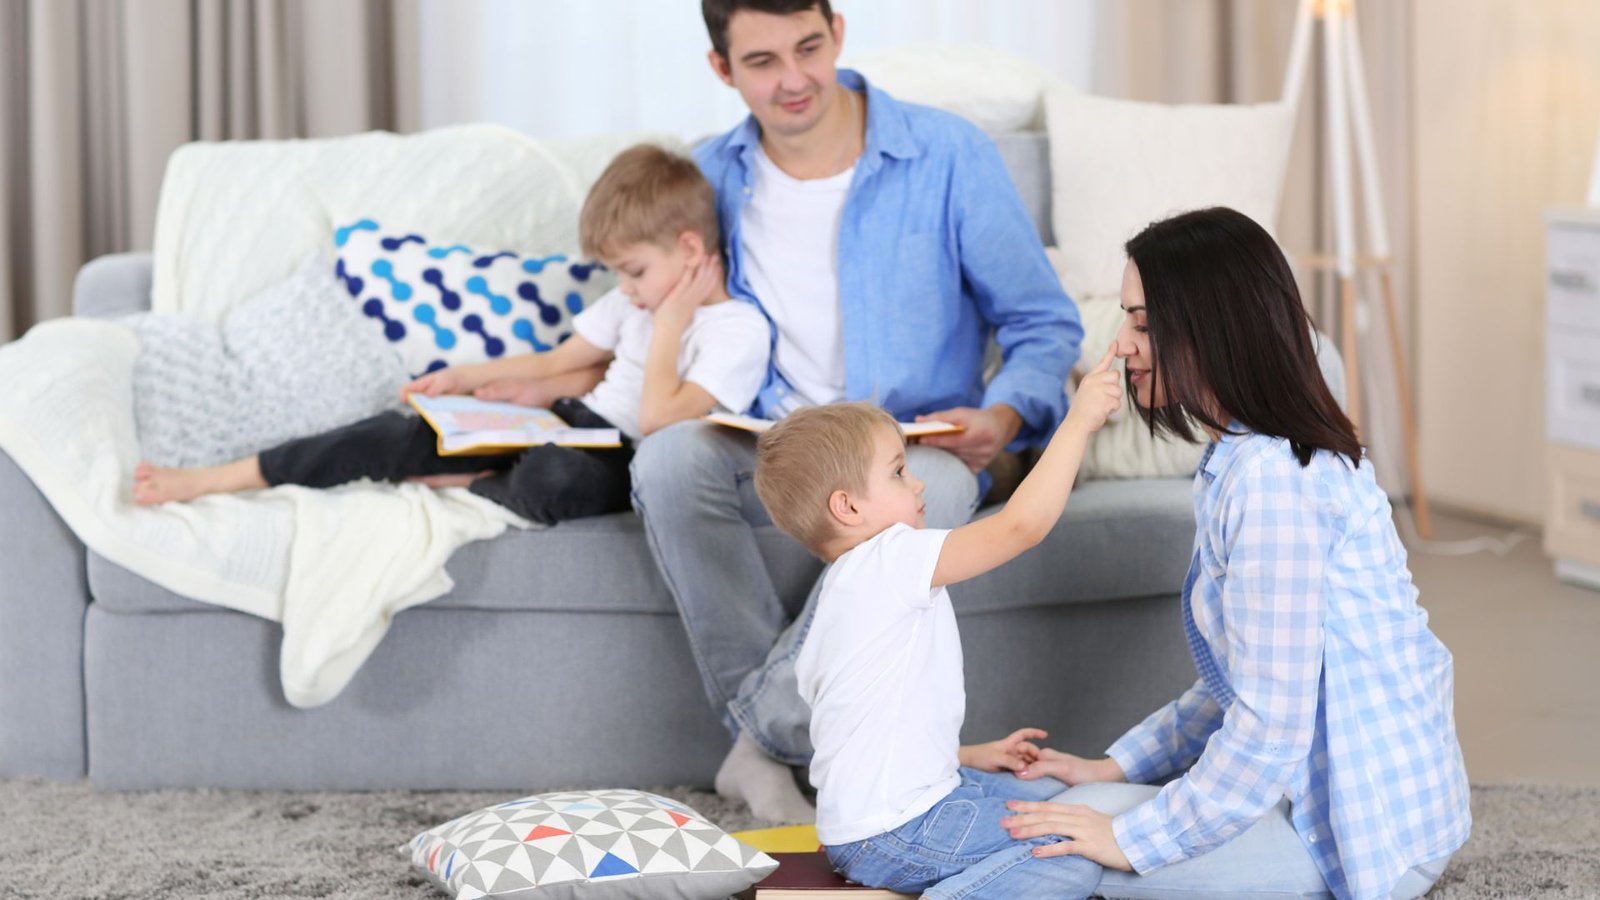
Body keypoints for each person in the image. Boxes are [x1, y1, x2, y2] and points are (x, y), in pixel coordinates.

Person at [629, 0, 1083, 823]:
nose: (796, 79)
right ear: (722, 70)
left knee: (934, 494)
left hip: (911, 441)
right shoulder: (709, 178)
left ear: (838, 32)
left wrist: (1007, 414)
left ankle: (759, 745)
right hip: (774, 437)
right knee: (665, 459)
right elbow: (635, 304)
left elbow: (1042, 323)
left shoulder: (945, 153)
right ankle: (774, 740)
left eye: (810, 47)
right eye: (763, 61)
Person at [997, 207, 1471, 900]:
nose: (1122, 345)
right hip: (1303, 799)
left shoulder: (1276, 481)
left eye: (1141, 321)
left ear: (1209, 327)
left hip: (1360, 838)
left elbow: (1267, 728)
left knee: (1049, 844)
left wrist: (1134, 840)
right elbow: (1242, 685)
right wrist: (1118, 767)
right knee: (1046, 810)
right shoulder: (1242, 459)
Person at [132, 144, 771, 527]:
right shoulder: (636, 302)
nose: (626, 288)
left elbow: (661, 420)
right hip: (568, 421)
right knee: (393, 433)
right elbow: (558, 359)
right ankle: (216, 478)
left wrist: (671, 322)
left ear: (689, 249)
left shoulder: (735, 330)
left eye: (633, 272)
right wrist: (470, 381)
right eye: (620, 275)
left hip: (622, 455)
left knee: (557, 483)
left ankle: (478, 483)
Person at [751, 353, 1120, 898]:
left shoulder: (841, 596)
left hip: (878, 822)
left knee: (1050, 797)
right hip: (898, 829)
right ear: (848, 507)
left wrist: (966, 756)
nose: (919, 485)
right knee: (1071, 851)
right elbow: (1020, 526)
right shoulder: (889, 557)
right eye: (899, 471)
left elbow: (864, 737)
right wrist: (1079, 419)